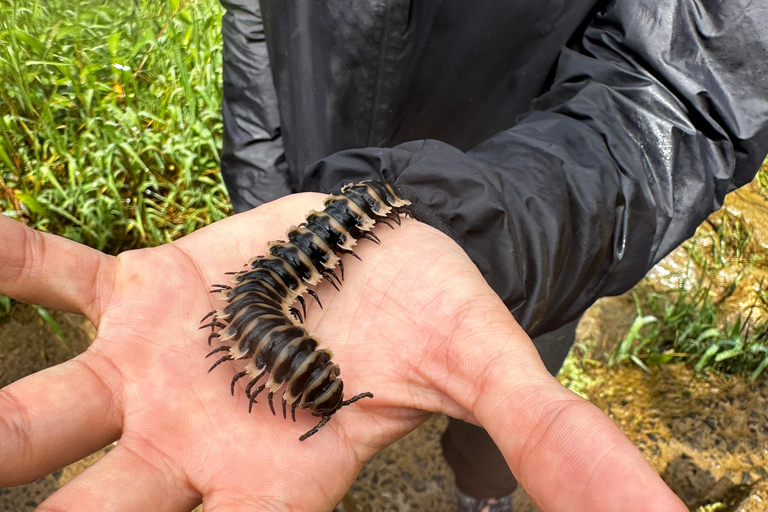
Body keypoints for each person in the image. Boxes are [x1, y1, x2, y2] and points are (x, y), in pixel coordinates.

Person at [0, 1, 764, 512]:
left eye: (317, 384)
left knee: (504, 396)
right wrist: (268, 194)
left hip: (527, 226)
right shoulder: (259, 318)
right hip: (311, 211)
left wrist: (483, 231)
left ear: (298, 373)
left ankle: (484, 490)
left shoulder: (262, 323)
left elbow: (694, 82)